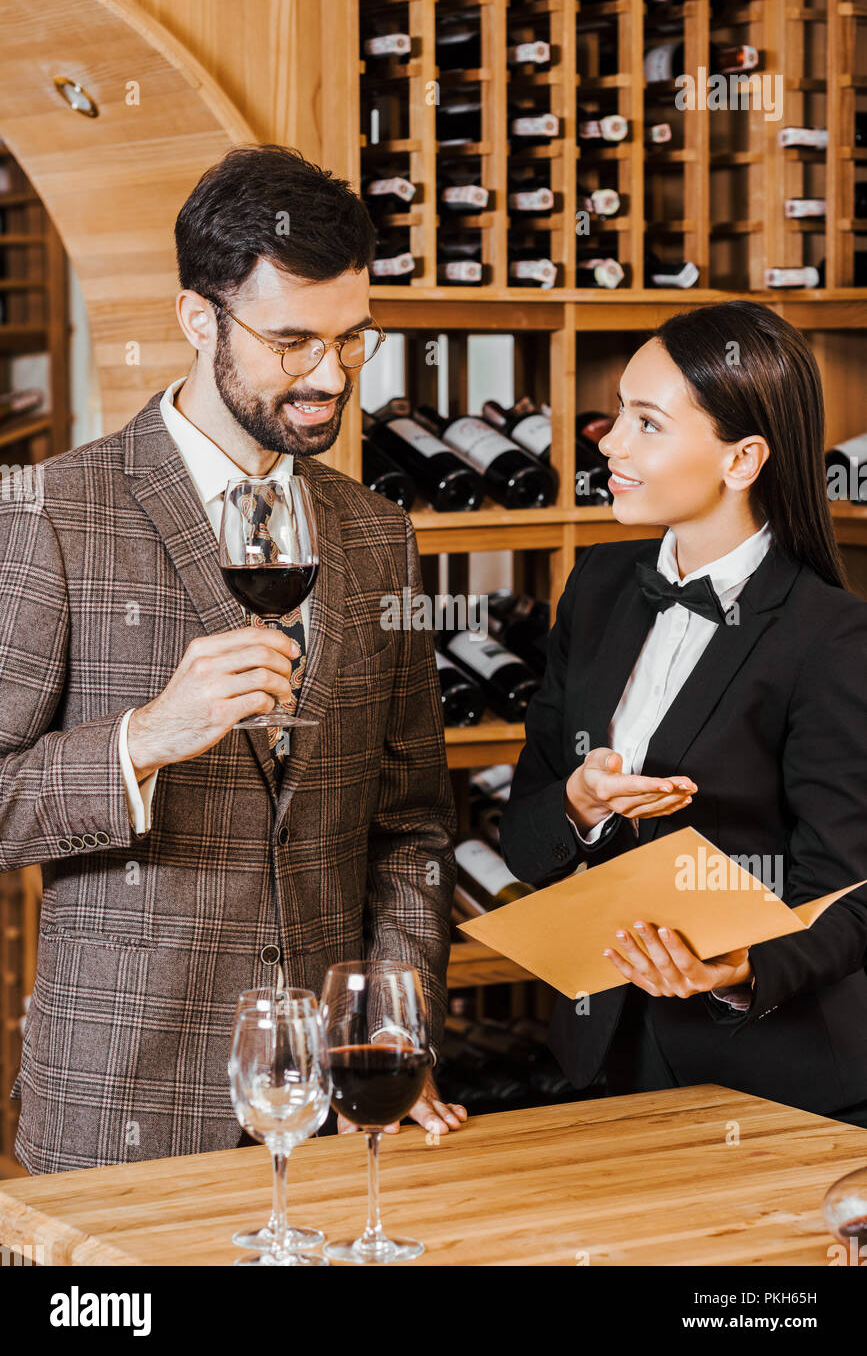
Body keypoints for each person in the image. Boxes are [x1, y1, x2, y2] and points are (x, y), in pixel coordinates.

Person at [5, 144, 466, 1174]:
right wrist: (143, 740)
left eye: (354, 340)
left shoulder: (378, 534)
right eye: (292, 339)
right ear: (198, 320)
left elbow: (414, 824)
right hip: (121, 1106)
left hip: (330, 1107)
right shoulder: (50, 512)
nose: (328, 374)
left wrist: (391, 1025)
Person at [498, 300, 867, 1127]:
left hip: (775, 1082)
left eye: (646, 423)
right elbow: (525, 843)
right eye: (618, 411)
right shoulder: (596, 584)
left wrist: (736, 968)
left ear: (742, 458)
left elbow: (848, 898)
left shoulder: (834, 638)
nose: (609, 441)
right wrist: (578, 805)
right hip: (599, 1058)